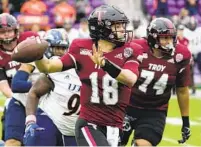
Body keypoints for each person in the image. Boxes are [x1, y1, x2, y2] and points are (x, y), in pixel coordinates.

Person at [25, 5, 143, 146]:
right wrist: (38, 55)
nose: (123, 29)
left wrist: (106, 64)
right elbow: (48, 67)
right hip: (89, 122)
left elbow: (130, 79)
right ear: (102, 28)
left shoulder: (130, 50)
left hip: (115, 125)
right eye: (117, 26)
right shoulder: (81, 48)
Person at [121, 17, 191, 146]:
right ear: (153, 38)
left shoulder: (181, 55)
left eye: (171, 37)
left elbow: (182, 90)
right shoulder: (136, 48)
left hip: (155, 111)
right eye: (164, 38)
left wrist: (186, 121)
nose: (169, 42)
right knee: (114, 143)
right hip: (127, 106)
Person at [23, 28, 80, 146]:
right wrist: (30, 121)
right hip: (50, 118)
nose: (61, 52)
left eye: (64, 48)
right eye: (57, 48)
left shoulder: (91, 73)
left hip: (73, 127)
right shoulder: (54, 68)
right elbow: (33, 92)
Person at [4, 31, 39, 146]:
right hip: (21, 101)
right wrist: (41, 88)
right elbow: (16, 85)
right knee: (13, 142)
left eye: (62, 48)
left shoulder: (61, 63)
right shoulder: (30, 60)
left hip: (43, 106)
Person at [0, 13, 21, 142]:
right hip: (15, 97)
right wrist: (19, 99)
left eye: (9, 31)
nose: (7, 34)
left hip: (37, 95)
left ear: (15, 30)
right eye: (2, 32)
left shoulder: (27, 44)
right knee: (10, 138)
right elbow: (4, 87)